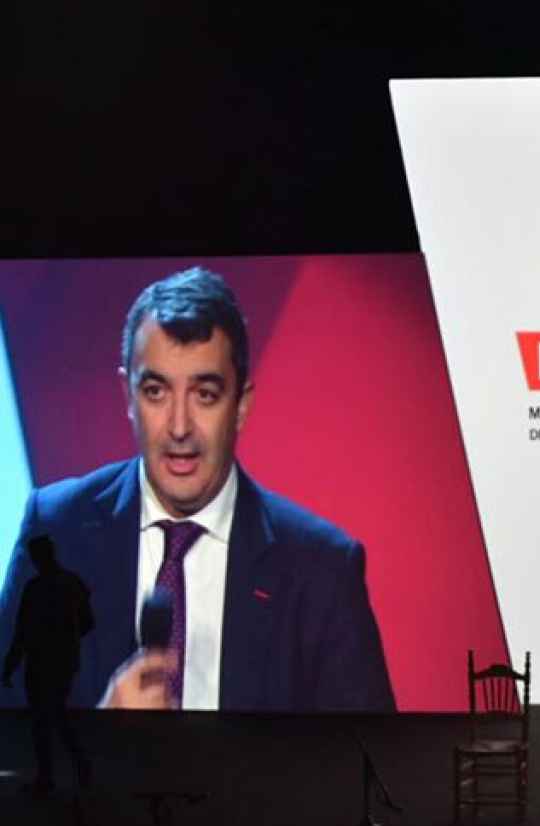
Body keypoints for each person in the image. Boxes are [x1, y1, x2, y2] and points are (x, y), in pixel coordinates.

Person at [0, 267, 394, 712]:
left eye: (205, 394)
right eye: (156, 392)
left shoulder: (322, 569)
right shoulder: (56, 529)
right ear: (128, 398)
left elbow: (368, 765)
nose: (179, 427)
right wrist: (100, 738)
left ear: (241, 404)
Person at [2, 537, 93, 790]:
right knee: (56, 715)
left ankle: (50, 775)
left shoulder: (35, 588)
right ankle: (77, 768)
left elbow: (23, 632)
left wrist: (10, 666)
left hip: (41, 660)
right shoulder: (72, 584)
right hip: (63, 660)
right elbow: (88, 622)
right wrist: (68, 641)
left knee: (44, 719)